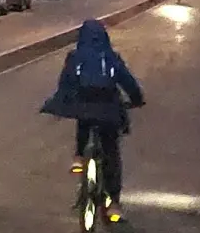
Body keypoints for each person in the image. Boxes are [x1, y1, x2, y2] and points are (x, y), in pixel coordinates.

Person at [40, 19, 145, 221]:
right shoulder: (111, 57)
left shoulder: (75, 57)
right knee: (111, 152)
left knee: (84, 119)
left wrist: (63, 102)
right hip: (108, 108)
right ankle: (113, 203)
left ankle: (79, 157)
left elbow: (65, 82)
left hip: (83, 106)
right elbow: (127, 82)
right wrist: (137, 100)